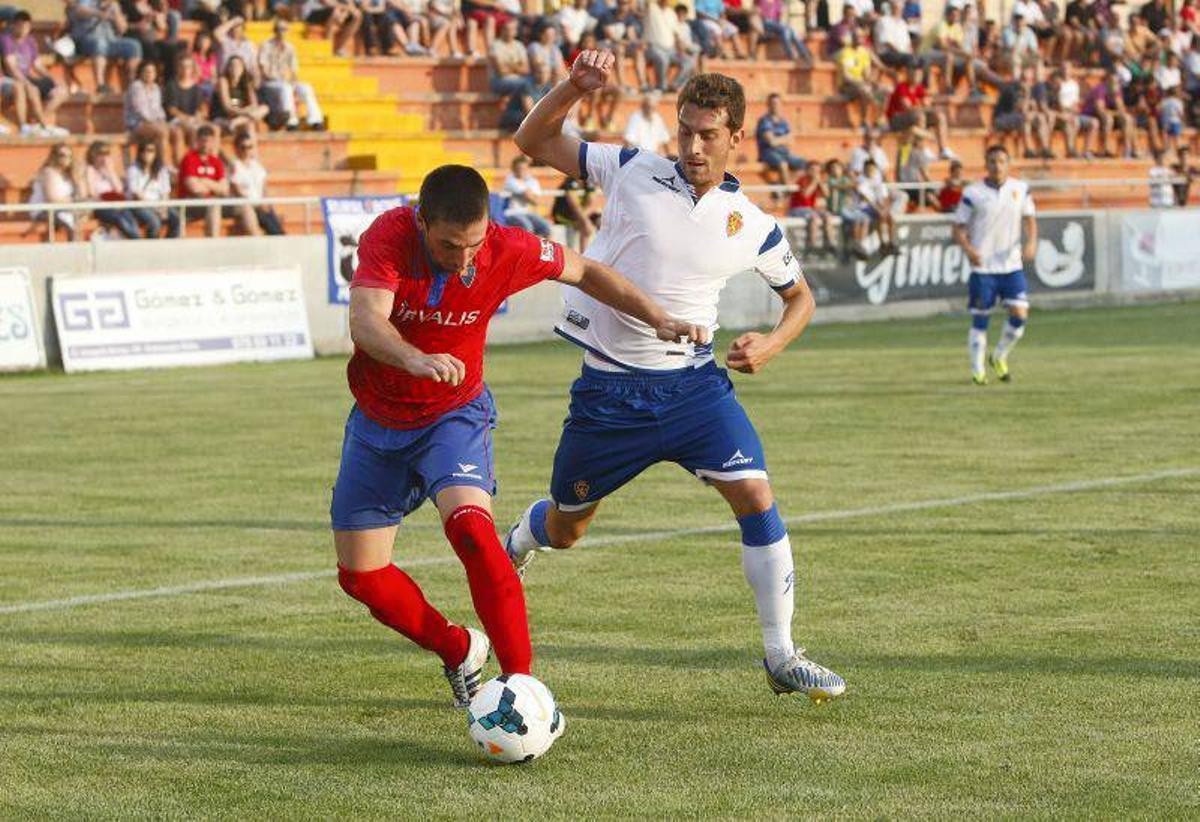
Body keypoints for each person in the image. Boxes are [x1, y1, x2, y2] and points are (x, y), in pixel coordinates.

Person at [511, 52, 847, 704]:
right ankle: (522, 538)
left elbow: (800, 298)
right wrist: (572, 89)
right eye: (685, 131)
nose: (692, 147)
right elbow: (534, 140)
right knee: (567, 529)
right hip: (609, 392)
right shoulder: (630, 167)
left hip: (694, 389)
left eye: (707, 135)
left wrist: (772, 343)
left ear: (736, 137)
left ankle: (782, 654)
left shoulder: (753, 225)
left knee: (756, 496)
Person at [332, 163, 705, 710]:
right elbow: (366, 320)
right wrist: (414, 358)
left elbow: (586, 271)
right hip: (377, 421)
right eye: (448, 245)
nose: (464, 259)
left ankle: (521, 687)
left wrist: (657, 317)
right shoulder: (389, 235)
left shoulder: (507, 247)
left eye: (473, 244)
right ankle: (459, 649)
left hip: (453, 415)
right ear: (421, 222)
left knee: (472, 530)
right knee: (361, 577)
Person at [953, 144, 1036, 386]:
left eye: (1001, 161)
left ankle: (999, 355)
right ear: (986, 164)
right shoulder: (973, 193)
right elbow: (958, 227)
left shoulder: (1020, 189)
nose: (997, 166)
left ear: (1008, 164)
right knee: (981, 320)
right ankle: (978, 370)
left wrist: (1032, 242)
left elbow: (1030, 219)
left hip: (1011, 265)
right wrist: (969, 249)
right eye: (992, 161)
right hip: (984, 268)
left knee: (1020, 315)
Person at [0, 11, 68, 136]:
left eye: (26, 26)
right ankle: (37, 126)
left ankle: (37, 124)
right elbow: (11, 67)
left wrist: (53, 79)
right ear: (14, 25)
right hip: (14, 78)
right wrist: (26, 83)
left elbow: (38, 65)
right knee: (30, 89)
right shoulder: (6, 40)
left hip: (27, 77)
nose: (23, 29)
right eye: (20, 26)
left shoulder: (30, 41)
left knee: (62, 91)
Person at [259, 20, 325, 131]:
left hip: (285, 81)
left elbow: (294, 71)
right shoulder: (266, 45)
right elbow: (263, 70)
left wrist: (293, 82)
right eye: (279, 29)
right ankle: (291, 122)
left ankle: (316, 121)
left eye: (284, 29)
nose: (282, 32)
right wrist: (278, 79)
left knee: (306, 87)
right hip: (270, 82)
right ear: (275, 31)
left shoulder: (290, 48)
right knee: (286, 88)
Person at [67, 0, 142, 94]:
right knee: (100, 44)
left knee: (134, 46)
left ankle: (132, 83)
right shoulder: (87, 1)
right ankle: (100, 85)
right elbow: (79, 11)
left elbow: (122, 29)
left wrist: (116, 15)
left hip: (111, 40)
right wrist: (98, 13)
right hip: (87, 39)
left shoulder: (113, 5)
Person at [83, 139, 144, 239]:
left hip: (116, 204)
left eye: (107, 153)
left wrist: (110, 172)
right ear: (93, 155)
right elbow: (91, 193)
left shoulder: (109, 170)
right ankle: (137, 241)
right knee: (119, 219)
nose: (104, 156)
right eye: (101, 153)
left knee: (130, 217)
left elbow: (119, 189)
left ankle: (136, 240)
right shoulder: (90, 170)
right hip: (101, 206)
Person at [227, 133, 284, 235]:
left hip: (260, 203)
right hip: (247, 204)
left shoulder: (256, 165)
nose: (246, 150)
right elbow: (237, 190)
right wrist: (256, 204)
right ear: (236, 148)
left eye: (249, 147)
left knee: (273, 224)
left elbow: (264, 187)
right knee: (270, 225)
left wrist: (265, 202)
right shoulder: (235, 165)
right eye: (243, 147)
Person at [178, 123, 229, 236]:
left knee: (245, 207)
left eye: (209, 141)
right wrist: (215, 187)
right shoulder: (189, 159)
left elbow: (225, 189)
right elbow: (195, 188)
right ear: (197, 140)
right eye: (203, 141)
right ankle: (213, 242)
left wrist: (204, 181)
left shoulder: (216, 161)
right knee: (214, 206)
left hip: (212, 201)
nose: (206, 144)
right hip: (190, 203)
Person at [126, 138, 179, 238]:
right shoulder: (133, 169)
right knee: (154, 222)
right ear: (139, 153)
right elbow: (136, 194)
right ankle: (151, 245)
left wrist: (163, 208)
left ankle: (169, 244)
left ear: (156, 153)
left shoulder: (161, 170)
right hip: (139, 205)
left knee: (176, 219)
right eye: (143, 150)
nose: (146, 153)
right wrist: (155, 208)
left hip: (159, 204)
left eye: (150, 150)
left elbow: (165, 192)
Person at [30, 143, 82, 241]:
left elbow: (80, 195)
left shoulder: (68, 174)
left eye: (69, 156)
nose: (66, 159)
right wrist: (72, 201)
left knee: (83, 214)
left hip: (63, 208)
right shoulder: (48, 172)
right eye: (62, 155)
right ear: (54, 156)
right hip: (44, 210)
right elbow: (51, 199)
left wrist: (77, 178)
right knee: (69, 222)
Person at [755, 92, 805, 195]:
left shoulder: (783, 122)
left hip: (784, 153)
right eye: (773, 103)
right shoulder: (764, 121)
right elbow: (771, 142)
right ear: (768, 105)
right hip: (768, 153)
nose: (775, 106)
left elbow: (791, 141)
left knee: (803, 164)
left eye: (777, 103)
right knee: (783, 164)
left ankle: (783, 186)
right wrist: (785, 139)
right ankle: (788, 192)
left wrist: (779, 140)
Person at [124, 60, 172, 163]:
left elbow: (158, 109)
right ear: (140, 73)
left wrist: (161, 120)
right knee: (162, 131)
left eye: (152, 71)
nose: (149, 74)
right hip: (136, 124)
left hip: (152, 123)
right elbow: (140, 111)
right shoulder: (136, 87)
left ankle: (168, 163)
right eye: (146, 71)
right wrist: (156, 123)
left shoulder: (156, 88)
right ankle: (163, 164)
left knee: (175, 131)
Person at [643, 0, 695, 91]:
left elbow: (676, 34)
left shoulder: (672, 14)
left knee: (689, 61)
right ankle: (662, 86)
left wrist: (680, 48)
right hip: (653, 48)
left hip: (671, 50)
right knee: (662, 58)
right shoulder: (651, 8)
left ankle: (674, 85)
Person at [786, 160, 835, 255]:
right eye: (813, 170)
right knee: (814, 218)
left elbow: (827, 195)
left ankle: (830, 243)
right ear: (807, 170)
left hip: (810, 209)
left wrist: (820, 183)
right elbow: (805, 195)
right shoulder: (803, 179)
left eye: (817, 171)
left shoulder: (817, 180)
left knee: (827, 216)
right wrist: (815, 182)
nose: (815, 173)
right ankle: (811, 245)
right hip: (797, 208)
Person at [212, 55, 269, 133]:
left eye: (238, 66)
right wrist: (246, 112)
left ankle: (236, 123)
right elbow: (227, 108)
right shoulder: (223, 81)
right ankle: (236, 123)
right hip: (223, 116)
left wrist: (244, 114)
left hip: (240, 116)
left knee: (265, 108)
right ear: (228, 68)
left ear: (243, 68)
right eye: (232, 65)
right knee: (250, 121)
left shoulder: (246, 82)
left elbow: (254, 105)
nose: (235, 68)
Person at [501, 155, 551, 236]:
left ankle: (545, 245)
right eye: (518, 169)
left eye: (523, 169)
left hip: (526, 212)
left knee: (546, 227)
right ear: (513, 169)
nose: (521, 171)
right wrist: (529, 194)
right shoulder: (510, 180)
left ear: (528, 169)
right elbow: (530, 198)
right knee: (528, 227)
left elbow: (536, 201)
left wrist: (528, 194)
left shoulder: (531, 180)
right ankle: (529, 244)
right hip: (511, 213)